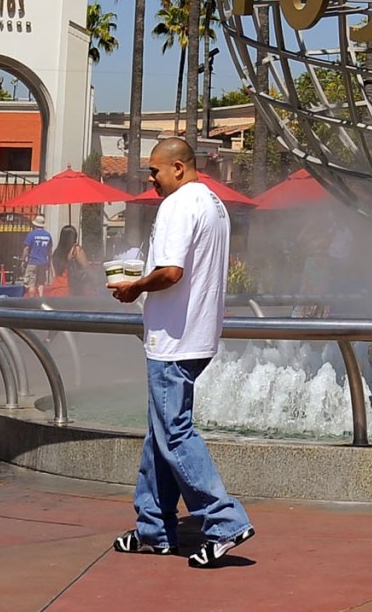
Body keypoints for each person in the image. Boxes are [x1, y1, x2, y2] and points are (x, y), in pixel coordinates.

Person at [108, 137, 255, 569]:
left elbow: (171, 271)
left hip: (173, 340)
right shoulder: (212, 203)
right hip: (197, 335)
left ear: (177, 167)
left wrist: (134, 286)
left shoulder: (177, 205)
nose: (150, 179)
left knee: (173, 433)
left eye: (154, 171)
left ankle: (224, 520)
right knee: (161, 434)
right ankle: (154, 528)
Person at [48, 226, 84, 297]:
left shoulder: (56, 252)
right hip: (70, 288)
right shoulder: (76, 250)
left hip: (56, 288)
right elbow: (86, 267)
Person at [23, 220, 53, 292]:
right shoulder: (48, 235)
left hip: (33, 262)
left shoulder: (31, 234)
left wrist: (23, 260)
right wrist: (49, 262)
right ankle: (40, 299)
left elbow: (26, 249)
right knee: (41, 283)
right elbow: (50, 250)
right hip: (43, 262)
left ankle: (32, 300)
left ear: (35, 225)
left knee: (31, 283)